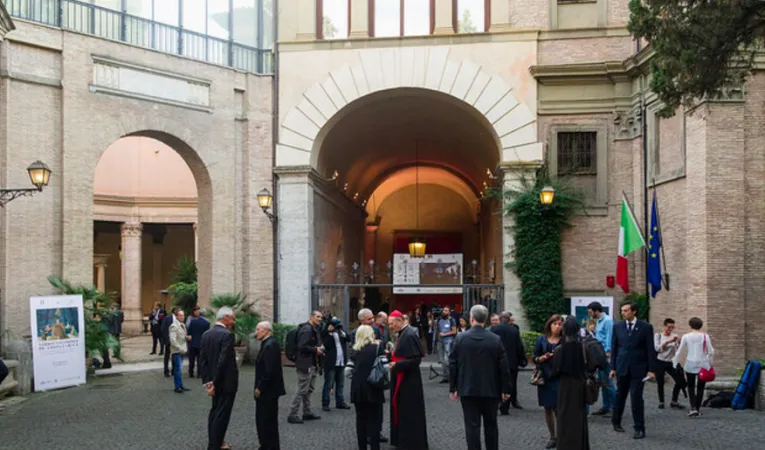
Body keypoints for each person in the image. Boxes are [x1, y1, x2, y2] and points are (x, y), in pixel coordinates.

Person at [449, 305, 510, 450]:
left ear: (471, 319)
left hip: (468, 388)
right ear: (487, 319)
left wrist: (453, 387)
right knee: (491, 424)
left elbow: (453, 364)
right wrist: (505, 388)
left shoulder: (460, 338)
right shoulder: (495, 339)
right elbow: (504, 367)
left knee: (472, 426)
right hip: (491, 388)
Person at [610, 302, 656, 440]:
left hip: (639, 368)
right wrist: (613, 367)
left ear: (634, 311)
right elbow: (614, 348)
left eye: (626, 310)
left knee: (636, 397)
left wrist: (651, 370)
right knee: (620, 395)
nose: (623, 313)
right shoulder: (618, 326)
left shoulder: (646, 327)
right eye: (622, 310)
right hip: (622, 366)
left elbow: (650, 349)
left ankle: (639, 428)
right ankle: (616, 421)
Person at [388, 310, 428, 450]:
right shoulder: (403, 333)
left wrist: (398, 364)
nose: (390, 327)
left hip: (409, 381)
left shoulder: (409, 334)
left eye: (392, 323)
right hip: (402, 377)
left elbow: (416, 359)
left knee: (409, 412)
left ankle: (411, 442)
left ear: (399, 321)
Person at [200, 306, 239, 450]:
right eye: (233, 318)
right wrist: (214, 383)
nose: (234, 321)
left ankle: (216, 442)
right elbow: (222, 361)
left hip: (213, 381)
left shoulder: (206, 334)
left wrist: (208, 382)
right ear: (226, 317)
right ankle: (215, 445)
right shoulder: (227, 335)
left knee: (215, 411)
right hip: (225, 382)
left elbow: (202, 360)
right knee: (222, 415)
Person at [552, 317, 590, 450]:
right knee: (579, 416)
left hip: (565, 386)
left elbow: (555, 371)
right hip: (579, 385)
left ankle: (565, 445)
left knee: (564, 417)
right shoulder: (583, 348)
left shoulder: (560, 350)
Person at [349, 324, 387, 450]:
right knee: (374, 421)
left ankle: (362, 447)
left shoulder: (354, 350)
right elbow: (384, 367)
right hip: (373, 387)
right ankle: (375, 447)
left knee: (360, 420)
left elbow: (348, 371)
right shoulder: (377, 348)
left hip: (357, 388)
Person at [672, 317, 714, 417]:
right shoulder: (705, 336)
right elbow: (711, 350)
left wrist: (675, 362)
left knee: (690, 386)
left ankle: (693, 407)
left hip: (690, 362)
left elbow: (680, 350)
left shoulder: (686, 336)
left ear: (690, 325)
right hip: (703, 363)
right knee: (700, 387)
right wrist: (710, 361)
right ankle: (698, 408)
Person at [254, 321, 285, 450]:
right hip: (269, 389)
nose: (256, 332)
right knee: (264, 420)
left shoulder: (270, 345)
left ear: (267, 330)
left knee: (266, 421)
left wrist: (260, 387)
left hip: (268, 391)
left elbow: (269, 370)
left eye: (258, 329)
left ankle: (269, 446)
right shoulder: (268, 343)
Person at [288, 310, 323, 424]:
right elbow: (301, 346)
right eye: (317, 316)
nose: (319, 319)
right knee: (302, 389)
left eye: (321, 317)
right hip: (305, 363)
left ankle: (307, 412)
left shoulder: (313, 329)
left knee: (309, 389)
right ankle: (292, 414)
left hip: (312, 363)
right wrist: (315, 349)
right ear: (312, 317)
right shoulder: (307, 329)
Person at [534, 314, 563, 449]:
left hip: (559, 378)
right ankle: (553, 436)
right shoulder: (541, 339)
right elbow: (535, 358)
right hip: (545, 378)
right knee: (547, 408)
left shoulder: (564, 340)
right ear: (549, 325)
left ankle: (562, 435)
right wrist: (542, 358)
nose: (557, 326)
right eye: (555, 324)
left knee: (559, 408)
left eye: (560, 324)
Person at [490, 311, 526, 413]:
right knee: (511, 383)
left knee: (497, 381)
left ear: (500, 319)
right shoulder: (514, 330)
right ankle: (509, 403)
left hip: (497, 360)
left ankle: (498, 402)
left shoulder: (493, 329)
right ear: (508, 320)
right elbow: (519, 347)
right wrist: (522, 359)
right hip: (511, 361)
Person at [587, 301, 616, 417]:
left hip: (605, 355)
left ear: (596, 311)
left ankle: (615, 408)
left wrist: (608, 354)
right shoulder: (599, 321)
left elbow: (610, 337)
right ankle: (605, 406)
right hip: (599, 355)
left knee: (608, 383)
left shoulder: (608, 321)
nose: (590, 315)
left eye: (590, 312)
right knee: (602, 382)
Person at [320, 317, 351, 411]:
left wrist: (341, 330)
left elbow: (348, 338)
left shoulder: (340, 333)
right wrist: (329, 333)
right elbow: (326, 345)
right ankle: (325, 403)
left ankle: (340, 402)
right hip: (331, 363)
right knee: (328, 384)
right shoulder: (326, 334)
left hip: (341, 362)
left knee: (340, 384)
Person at [654, 318, 685, 409]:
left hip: (671, 362)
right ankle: (661, 401)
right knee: (660, 382)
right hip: (660, 361)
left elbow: (678, 349)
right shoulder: (658, 336)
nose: (670, 329)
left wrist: (678, 343)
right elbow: (657, 349)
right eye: (669, 327)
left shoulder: (674, 335)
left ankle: (674, 401)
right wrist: (668, 342)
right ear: (664, 326)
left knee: (679, 381)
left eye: (672, 327)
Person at [168, 308, 190, 393]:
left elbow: (181, 336)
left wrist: (186, 337)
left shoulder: (182, 325)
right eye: (180, 315)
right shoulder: (174, 326)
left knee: (179, 369)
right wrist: (179, 348)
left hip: (182, 350)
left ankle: (180, 385)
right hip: (177, 351)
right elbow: (172, 340)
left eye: (183, 315)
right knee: (177, 369)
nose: (182, 317)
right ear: (176, 316)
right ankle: (177, 387)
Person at [187, 305, 210, 378]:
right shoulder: (206, 323)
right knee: (200, 359)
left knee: (191, 359)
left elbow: (189, 332)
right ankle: (199, 373)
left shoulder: (192, 322)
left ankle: (191, 372)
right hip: (201, 343)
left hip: (192, 343)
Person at [435, 306, 457, 384]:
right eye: (444, 310)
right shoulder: (439, 320)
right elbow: (437, 330)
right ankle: (445, 377)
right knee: (442, 360)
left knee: (447, 360)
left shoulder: (452, 320)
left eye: (446, 310)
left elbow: (454, 331)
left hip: (448, 341)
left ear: (449, 312)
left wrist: (445, 334)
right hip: (440, 342)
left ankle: (450, 376)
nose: (445, 312)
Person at [161, 307, 178, 377]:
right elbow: (163, 328)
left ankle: (174, 370)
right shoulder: (168, 318)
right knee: (167, 356)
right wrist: (167, 339)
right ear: (174, 311)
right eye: (178, 310)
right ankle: (166, 371)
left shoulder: (180, 318)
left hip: (176, 341)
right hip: (169, 340)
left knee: (175, 356)